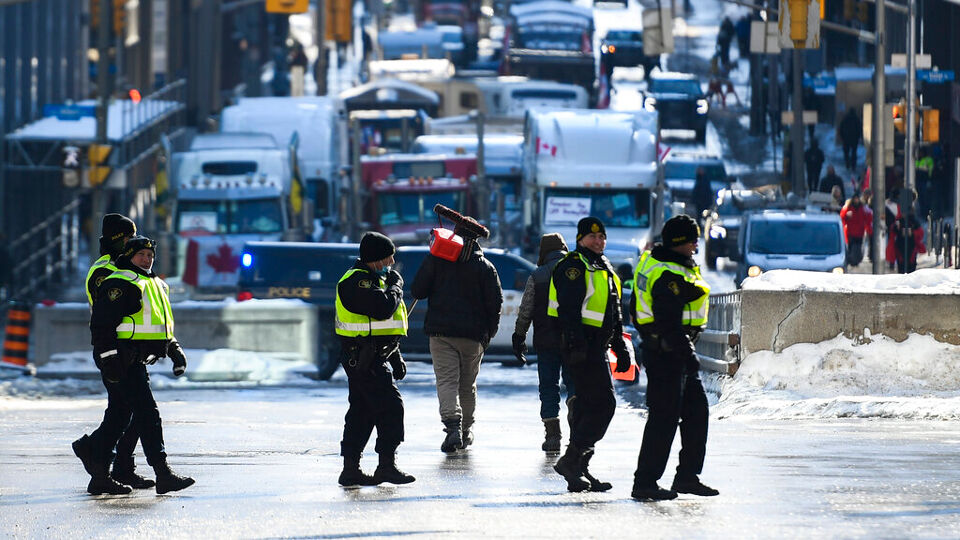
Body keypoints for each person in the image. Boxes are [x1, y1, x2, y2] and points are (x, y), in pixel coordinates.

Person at [73, 236, 194, 495]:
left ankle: (98, 471)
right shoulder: (121, 283)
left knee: (120, 416)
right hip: (121, 360)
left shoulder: (152, 283)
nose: (147, 259)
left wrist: (174, 350)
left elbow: (160, 325)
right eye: (141, 255)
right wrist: (110, 359)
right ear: (129, 257)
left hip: (134, 359)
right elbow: (101, 325)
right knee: (147, 414)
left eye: (150, 255)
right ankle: (163, 474)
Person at [630, 214, 717, 501]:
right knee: (663, 418)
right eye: (692, 240)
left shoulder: (666, 264)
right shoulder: (667, 273)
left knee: (696, 413)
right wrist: (687, 353)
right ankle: (645, 482)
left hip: (674, 351)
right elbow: (667, 321)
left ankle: (687, 477)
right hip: (668, 353)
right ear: (679, 242)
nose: (696, 245)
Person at [549, 217, 628, 493]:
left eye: (602, 236)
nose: (599, 241)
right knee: (604, 404)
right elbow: (568, 311)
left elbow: (613, 311)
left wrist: (619, 345)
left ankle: (578, 469)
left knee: (585, 408)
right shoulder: (573, 265)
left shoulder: (602, 266)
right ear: (580, 239)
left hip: (599, 346)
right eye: (593, 236)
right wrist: (576, 344)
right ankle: (572, 460)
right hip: (582, 347)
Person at [412, 215, 502, 453]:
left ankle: (452, 427)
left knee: (447, 381)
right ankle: (465, 431)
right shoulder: (486, 267)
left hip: (440, 333)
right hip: (473, 336)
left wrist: (432, 258)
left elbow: (418, 290)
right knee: (467, 385)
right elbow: (495, 305)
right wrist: (487, 335)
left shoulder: (438, 260)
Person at [80, 213, 156, 490]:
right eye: (126, 238)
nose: (131, 242)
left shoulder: (124, 264)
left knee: (126, 411)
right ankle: (98, 457)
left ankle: (115, 467)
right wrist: (109, 354)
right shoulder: (104, 271)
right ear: (114, 239)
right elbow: (109, 313)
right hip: (113, 349)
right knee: (128, 411)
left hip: (130, 349)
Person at [335, 231, 415, 486]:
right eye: (388, 259)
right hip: (363, 359)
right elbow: (382, 309)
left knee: (362, 412)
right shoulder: (356, 282)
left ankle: (350, 470)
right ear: (375, 259)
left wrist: (395, 357)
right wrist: (396, 287)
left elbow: (383, 329)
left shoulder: (373, 280)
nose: (391, 265)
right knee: (391, 407)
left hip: (372, 357)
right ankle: (386, 466)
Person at [513, 233, 574, 453]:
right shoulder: (578, 271)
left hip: (546, 341)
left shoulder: (537, 275)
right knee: (573, 383)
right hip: (574, 340)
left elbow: (526, 309)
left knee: (548, 386)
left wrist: (519, 336)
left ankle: (552, 436)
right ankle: (576, 429)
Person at [840, 193, 873, 267]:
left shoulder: (863, 208)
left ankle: (856, 260)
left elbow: (868, 217)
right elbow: (842, 217)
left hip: (860, 232)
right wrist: (846, 216)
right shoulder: (848, 208)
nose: (856, 200)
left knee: (858, 246)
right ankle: (852, 261)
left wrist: (868, 228)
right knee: (851, 247)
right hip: (850, 231)